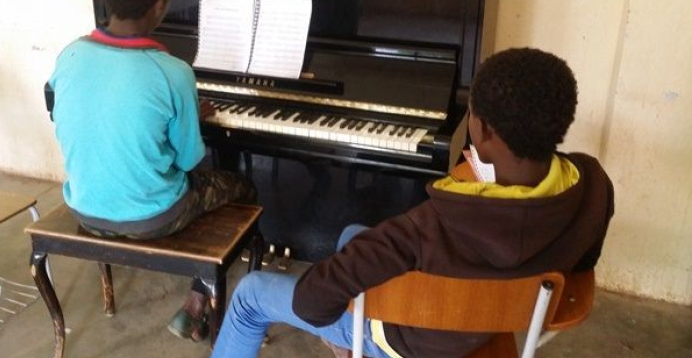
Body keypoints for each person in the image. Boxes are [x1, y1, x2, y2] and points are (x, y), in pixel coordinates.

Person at [210, 47, 614, 358]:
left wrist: (336, 307)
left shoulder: (428, 228)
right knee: (352, 235)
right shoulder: (593, 184)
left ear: (482, 129)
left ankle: (357, 343)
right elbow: (582, 265)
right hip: (498, 319)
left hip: (408, 342)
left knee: (250, 294)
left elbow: (313, 303)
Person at [47, 0, 256, 343]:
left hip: (84, 208)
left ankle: (199, 299)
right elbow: (190, 161)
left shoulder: (68, 56)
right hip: (153, 219)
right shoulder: (172, 71)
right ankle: (199, 303)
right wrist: (186, 119)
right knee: (243, 185)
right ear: (161, 5)